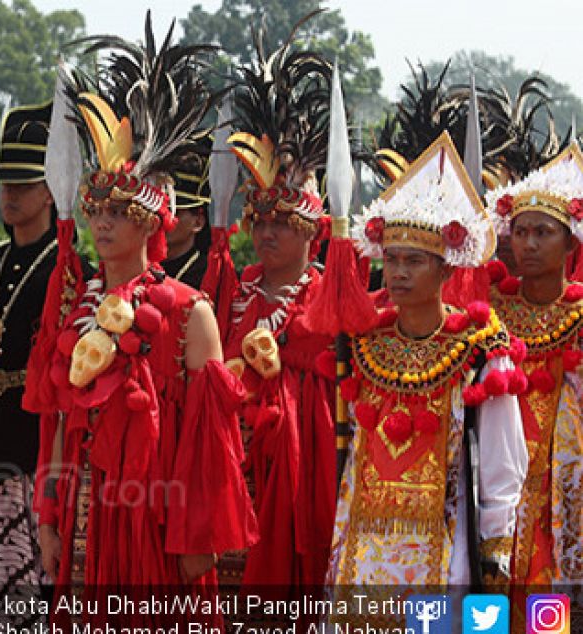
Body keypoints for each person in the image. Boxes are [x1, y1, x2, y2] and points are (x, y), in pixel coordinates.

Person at [28, 19, 257, 630]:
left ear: (154, 220)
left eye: (119, 211)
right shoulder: (79, 305)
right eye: (95, 208)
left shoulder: (189, 310)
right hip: (84, 504)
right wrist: (49, 516)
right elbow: (59, 424)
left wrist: (195, 539)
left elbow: (211, 443)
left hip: (157, 514)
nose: (102, 224)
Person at [331, 132, 527, 594]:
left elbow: (503, 460)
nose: (397, 272)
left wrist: (494, 552)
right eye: (392, 259)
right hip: (363, 548)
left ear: (445, 268)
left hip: (446, 550)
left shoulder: (480, 349)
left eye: (414, 261)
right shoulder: (366, 344)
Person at [220, 25, 336, 593]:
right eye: (258, 220)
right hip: (229, 468)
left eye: (280, 222)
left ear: (312, 229)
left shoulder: (326, 297)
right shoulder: (232, 293)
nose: (265, 232)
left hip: (302, 478)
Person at [0, 101, 60, 627]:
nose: (10, 196)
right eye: (5, 185)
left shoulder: (68, 268)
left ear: (49, 191)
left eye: (22, 185)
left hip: (31, 443)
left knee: (31, 595)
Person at [484, 144, 583, 623]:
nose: (528, 243)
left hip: (561, 487)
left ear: (570, 243)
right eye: (520, 232)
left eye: (543, 232)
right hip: (495, 478)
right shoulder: (487, 312)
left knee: (550, 609)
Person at [160, 134, 211, 290]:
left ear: (198, 222)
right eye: (158, 211)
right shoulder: (135, 270)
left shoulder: (211, 277)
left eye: (173, 212)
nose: (163, 219)